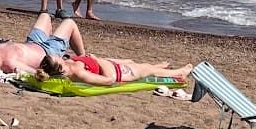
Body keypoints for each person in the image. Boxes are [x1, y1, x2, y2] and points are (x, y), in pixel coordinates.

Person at [0, 12, 86, 74]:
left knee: (45, 16)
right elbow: (34, 72)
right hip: (49, 51)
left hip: (34, 41)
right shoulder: (10, 64)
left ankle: (54, 37)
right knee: (69, 23)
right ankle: (84, 59)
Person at [39, 52, 193, 86]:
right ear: (58, 66)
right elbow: (108, 80)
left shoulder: (68, 64)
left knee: (134, 61)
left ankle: (155, 66)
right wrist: (96, 59)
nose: (58, 54)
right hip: (117, 73)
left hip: (112, 64)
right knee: (147, 70)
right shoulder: (78, 72)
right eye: (56, 56)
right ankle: (180, 73)